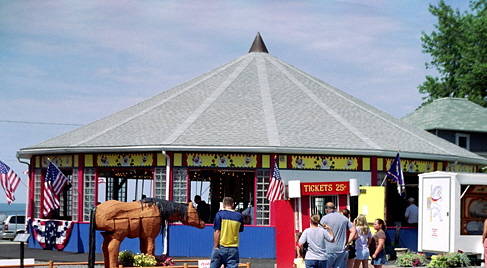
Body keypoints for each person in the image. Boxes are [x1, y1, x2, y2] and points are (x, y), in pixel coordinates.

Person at [211, 196, 244, 268]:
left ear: (223, 205)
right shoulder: (239, 216)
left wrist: (216, 246)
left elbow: (217, 231)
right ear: (233, 204)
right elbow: (239, 230)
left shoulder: (219, 215)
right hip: (233, 248)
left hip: (221, 246)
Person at [320, 202, 356, 268]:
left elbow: (320, 232)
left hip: (328, 250)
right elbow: (353, 230)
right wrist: (347, 242)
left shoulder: (324, 218)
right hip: (341, 250)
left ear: (326, 210)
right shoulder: (344, 218)